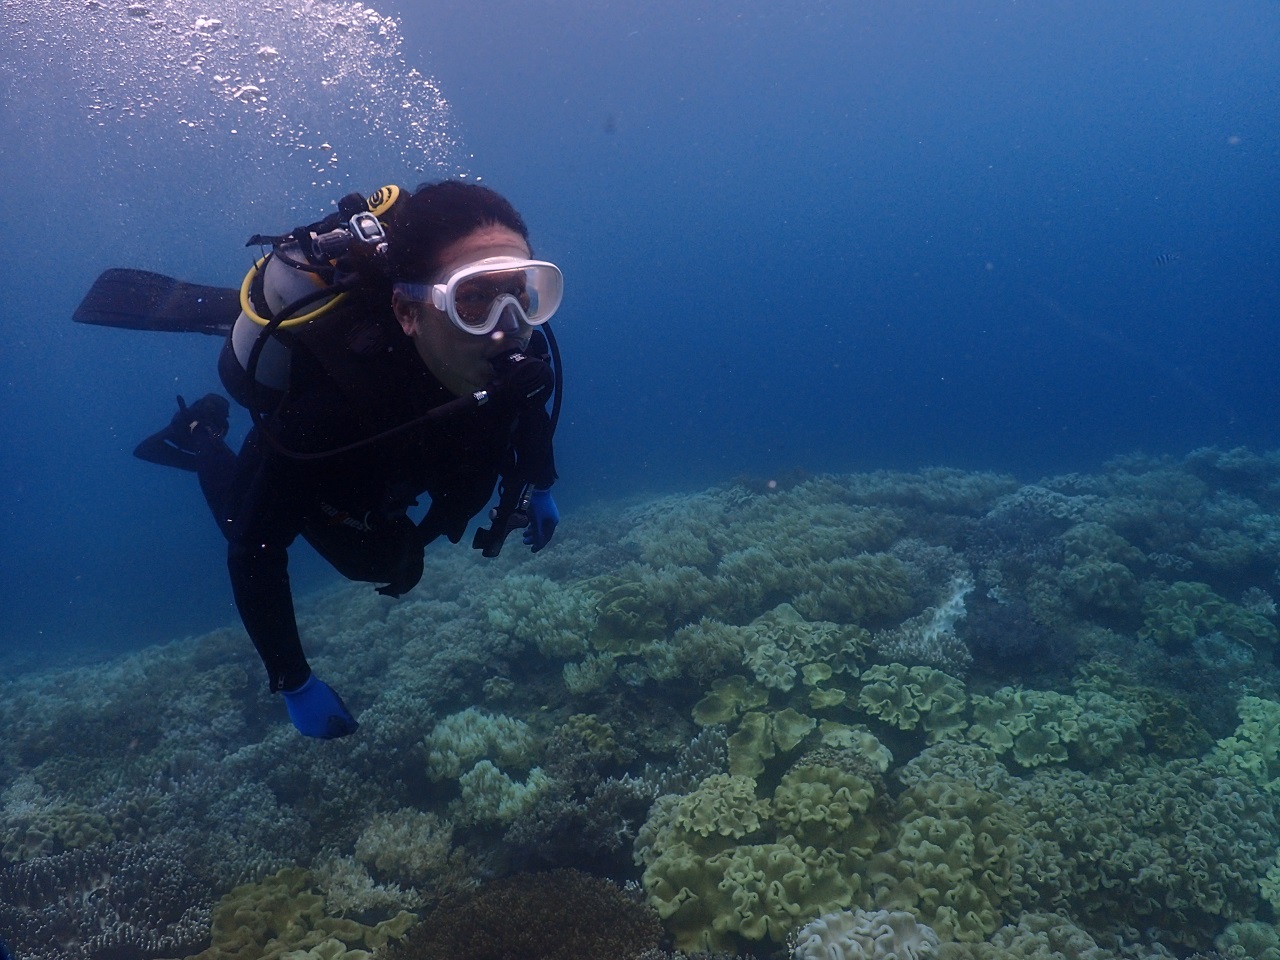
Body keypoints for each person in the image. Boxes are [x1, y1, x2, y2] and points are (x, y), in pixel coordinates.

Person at [134, 181, 563, 739]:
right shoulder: (329, 407)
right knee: (266, 524)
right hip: (337, 461)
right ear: (407, 311)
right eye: (473, 298)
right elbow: (254, 550)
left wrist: (540, 485)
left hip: (412, 455)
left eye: (522, 293)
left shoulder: (515, 346)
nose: (509, 326)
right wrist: (294, 681)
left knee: (451, 500)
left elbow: (528, 407)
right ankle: (200, 433)